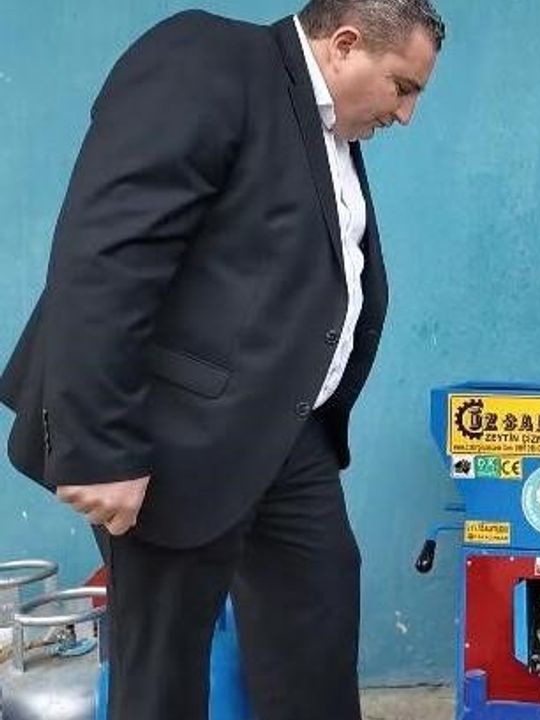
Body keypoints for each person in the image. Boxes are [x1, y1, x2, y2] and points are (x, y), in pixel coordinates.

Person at [0, 1, 444, 718]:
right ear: (345, 44)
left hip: (288, 436)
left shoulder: (328, 124)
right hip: (174, 437)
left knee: (318, 631)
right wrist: (99, 446)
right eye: (403, 86)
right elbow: (107, 254)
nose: (407, 114)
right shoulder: (209, 61)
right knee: (165, 674)